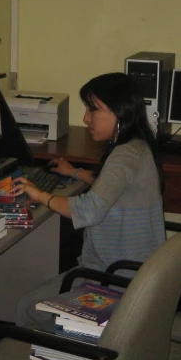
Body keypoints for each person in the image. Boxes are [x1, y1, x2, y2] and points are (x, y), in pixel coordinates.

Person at [12, 72, 166, 326]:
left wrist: (39, 193)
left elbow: (90, 210)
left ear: (119, 112)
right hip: (135, 272)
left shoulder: (124, 155)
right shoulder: (137, 146)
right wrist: (75, 173)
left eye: (93, 110)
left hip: (115, 278)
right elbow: (114, 188)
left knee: (28, 307)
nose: (85, 118)